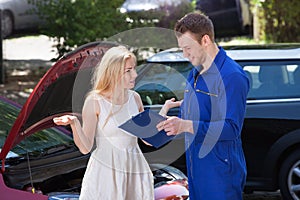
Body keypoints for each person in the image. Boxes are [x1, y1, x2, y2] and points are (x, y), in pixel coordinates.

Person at [53, 45, 180, 200]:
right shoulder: (95, 101)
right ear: (113, 73)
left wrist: (164, 110)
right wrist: (74, 123)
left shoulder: (135, 98)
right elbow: (85, 148)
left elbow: (147, 139)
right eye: (128, 70)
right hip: (106, 172)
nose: (134, 74)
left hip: (134, 168)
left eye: (134, 68)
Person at [157, 12, 249, 199]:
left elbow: (231, 128)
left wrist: (184, 125)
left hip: (220, 173)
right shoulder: (195, 72)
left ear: (205, 40)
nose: (185, 54)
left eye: (188, 47)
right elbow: (197, 109)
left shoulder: (232, 76)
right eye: (182, 48)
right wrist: (169, 116)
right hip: (196, 168)